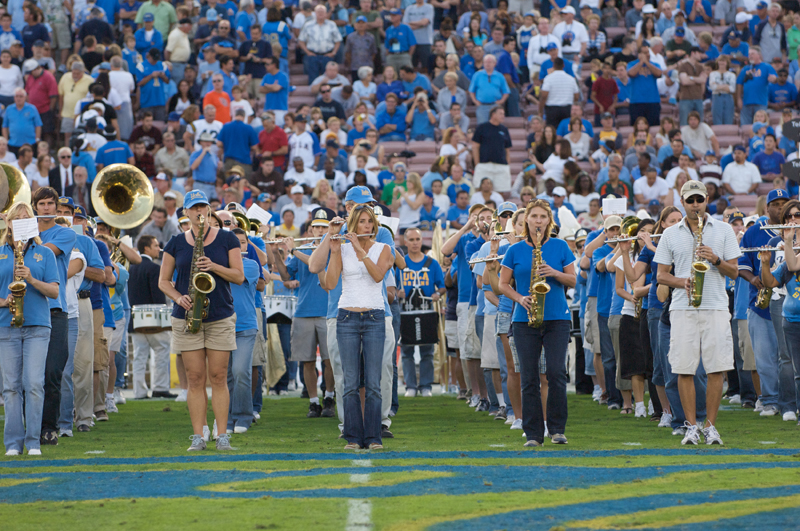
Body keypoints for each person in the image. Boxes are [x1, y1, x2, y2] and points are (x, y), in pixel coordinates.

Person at [654, 180, 741, 445]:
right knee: (684, 368)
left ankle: (710, 426)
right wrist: (683, 282)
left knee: (716, 367)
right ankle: (691, 425)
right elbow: (660, 276)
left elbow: (735, 272)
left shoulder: (724, 230)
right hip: (682, 306)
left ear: (706, 201)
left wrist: (715, 260)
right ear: (683, 202)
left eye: (699, 200)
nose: (695, 205)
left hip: (715, 304)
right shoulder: (670, 234)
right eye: (690, 201)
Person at [158, 190, 244, 451]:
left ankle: (222, 435)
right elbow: (163, 281)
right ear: (185, 213)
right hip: (187, 316)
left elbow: (239, 276)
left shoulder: (228, 239)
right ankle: (198, 436)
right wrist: (178, 297)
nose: (198, 212)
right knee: (195, 378)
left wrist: (214, 267)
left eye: (203, 207)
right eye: (193, 208)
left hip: (219, 314)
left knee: (218, 377)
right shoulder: (175, 242)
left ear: (209, 210)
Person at [499, 200, 576, 446]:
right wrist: (520, 298)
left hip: (557, 318)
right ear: (527, 221)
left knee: (555, 372)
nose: (539, 221)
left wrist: (553, 273)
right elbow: (502, 284)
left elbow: (573, 280)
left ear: (549, 221)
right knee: (529, 376)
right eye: (534, 216)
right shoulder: (515, 250)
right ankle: (533, 433)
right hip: (524, 318)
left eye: (543, 216)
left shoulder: (560, 246)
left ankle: (557, 428)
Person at [324, 204, 393, 450]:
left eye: (369, 222)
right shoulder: (341, 249)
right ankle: (353, 436)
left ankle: (373, 436)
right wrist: (334, 252)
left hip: (375, 317)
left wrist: (358, 249)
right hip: (346, 318)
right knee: (350, 382)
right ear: (353, 225)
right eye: (362, 222)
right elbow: (330, 283)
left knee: (374, 381)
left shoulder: (385, 249)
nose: (367, 226)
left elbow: (377, 276)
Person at [0, 202, 59, 456]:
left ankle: (33, 441)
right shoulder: (0, 252)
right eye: (17, 218)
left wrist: (32, 279)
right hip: (6, 324)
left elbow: (55, 291)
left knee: (34, 383)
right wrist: (4, 301)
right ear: (9, 224)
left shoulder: (44, 253)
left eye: (27, 218)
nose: (21, 222)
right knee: (10, 387)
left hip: (37, 325)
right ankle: (13, 443)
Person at [32, 187, 76, 445]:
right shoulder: (22, 232)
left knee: (52, 373)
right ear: (35, 206)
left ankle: (50, 427)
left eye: (51, 204)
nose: (46, 208)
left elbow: (42, 253)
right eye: (42, 204)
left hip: (55, 310)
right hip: (28, 308)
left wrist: (19, 230)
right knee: (28, 376)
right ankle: (30, 428)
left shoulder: (65, 233)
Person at [127, 235, 172, 399]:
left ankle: (139, 391)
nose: (158, 249)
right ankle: (160, 387)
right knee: (161, 352)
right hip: (154, 319)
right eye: (155, 245)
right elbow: (158, 297)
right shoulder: (154, 268)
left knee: (139, 356)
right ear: (146, 248)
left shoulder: (131, 268)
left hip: (135, 319)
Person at [472, 106, 512, 194]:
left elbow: (507, 149)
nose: (503, 116)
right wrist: (477, 164)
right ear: (493, 114)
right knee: (479, 190)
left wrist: (507, 164)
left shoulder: (504, 130)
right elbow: (475, 146)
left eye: (504, 114)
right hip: (484, 164)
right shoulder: (482, 128)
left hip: (501, 165)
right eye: (500, 113)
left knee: (501, 192)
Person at [538, 57, 580, 128]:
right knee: (566, 130)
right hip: (567, 108)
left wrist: (540, 111)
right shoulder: (571, 79)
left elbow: (544, 96)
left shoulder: (548, 78)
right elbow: (576, 96)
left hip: (552, 109)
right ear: (563, 66)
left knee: (552, 131)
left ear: (553, 66)